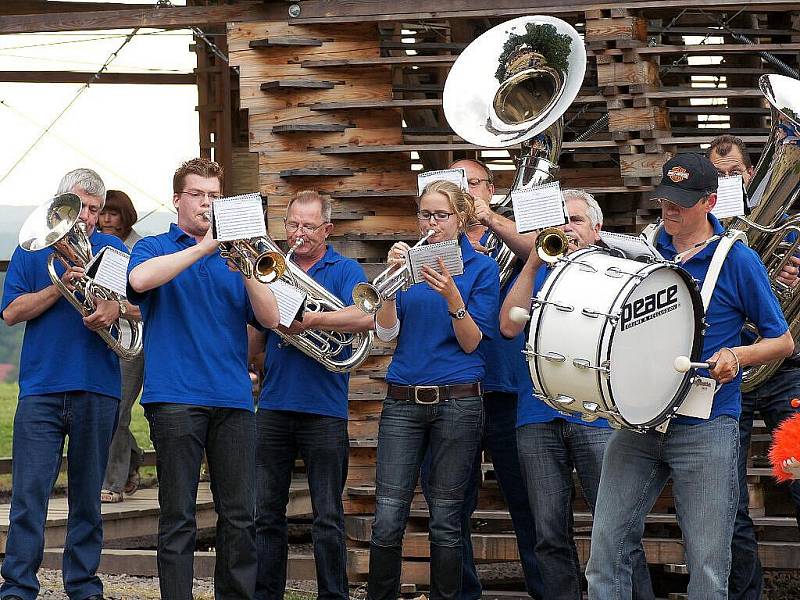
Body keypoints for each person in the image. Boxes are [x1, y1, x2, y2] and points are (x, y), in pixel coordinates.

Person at [586, 153, 794, 599]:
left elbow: (783, 342)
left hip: (707, 424)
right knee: (604, 555)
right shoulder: (639, 250)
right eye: (665, 200)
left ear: (710, 202)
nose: (670, 210)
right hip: (637, 420)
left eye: (681, 202)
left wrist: (736, 355)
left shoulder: (738, 259)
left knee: (708, 566)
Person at [126, 158, 280, 600]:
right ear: (177, 199)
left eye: (214, 196)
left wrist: (247, 263)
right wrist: (205, 247)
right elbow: (138, 280)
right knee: (178, 514)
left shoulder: (237, 256)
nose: (206, 203)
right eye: (197, 194)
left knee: (240, 515)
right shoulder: (155, 247)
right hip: (174, 397)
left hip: (232, 398)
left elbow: (270, 318)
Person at [500, 189, 654, 600]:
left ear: (597, 229)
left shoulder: (619, 271)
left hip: (597, 417)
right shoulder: (539, 267)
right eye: (561, 220)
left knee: (619, 529)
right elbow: (508, 327)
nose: (567, 228)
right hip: (536, 416)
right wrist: (533, 258)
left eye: (577, 220)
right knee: (549, 533)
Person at [1, 168, 132, 600]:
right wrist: (60, 287)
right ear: (61, 207)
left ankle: (83, 586)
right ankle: (18, 587)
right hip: (41, 388)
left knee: (87, 499)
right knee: (29, 496)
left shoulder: (111, 247)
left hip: (97, 386)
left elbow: (135, 305)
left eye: (95, 210)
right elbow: (11, 312)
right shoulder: (31, 251)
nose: (90, 218)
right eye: (81, 208)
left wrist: (114, 309)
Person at [367, 180, 499, 600]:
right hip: (403, 400)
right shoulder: (408, 267)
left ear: (460, 219)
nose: (431, 223)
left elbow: (472, 341)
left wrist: (452, 296)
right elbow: (387, 332)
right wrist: (389, 282)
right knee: (388, 514)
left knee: (445, 518)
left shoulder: (481, 268)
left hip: (458, 402)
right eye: (425, 214)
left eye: (441, 215)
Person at [420, 158, 544, 600]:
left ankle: (544, 590)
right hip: (452, 390)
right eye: (458, 185)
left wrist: (487, 216)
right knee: (451, 504)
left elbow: (544, 251)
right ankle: (461, 593)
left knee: (527, 501)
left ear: (491, 187)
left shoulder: (507, 229)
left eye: (474, 183)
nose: (468, 191)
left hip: (507, 387)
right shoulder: (430, 243)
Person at [250, 190, 373, 600]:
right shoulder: (273, 267)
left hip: (324, 409)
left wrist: (314, 319)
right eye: (292, 225)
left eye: (308, 226)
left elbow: (367, 314)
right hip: (273, 406)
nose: (298, 234)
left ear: (328, 230)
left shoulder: (344, 269)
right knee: (266, 513)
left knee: (327, 515)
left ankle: (332, 595)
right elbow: (256, 328)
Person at [707, 134, 800, 600]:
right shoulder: (701, 234)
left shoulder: (788, 228)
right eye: (717, 175)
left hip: (784, 372)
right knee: (730, 503)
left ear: (751, 174)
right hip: (727, 379)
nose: (727, 182)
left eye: (734, 173)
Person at [99, 189, 144, 503]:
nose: (105, 219)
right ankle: (133, 460)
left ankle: (112, 484)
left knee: (118, 409)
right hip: (100, 337)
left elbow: (147, 303)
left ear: (125, 214)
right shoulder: (92, 244)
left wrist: (120, 309)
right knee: (105, 407)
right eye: (102, 212)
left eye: (112, 213)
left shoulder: (141, 247)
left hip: (133, 338)